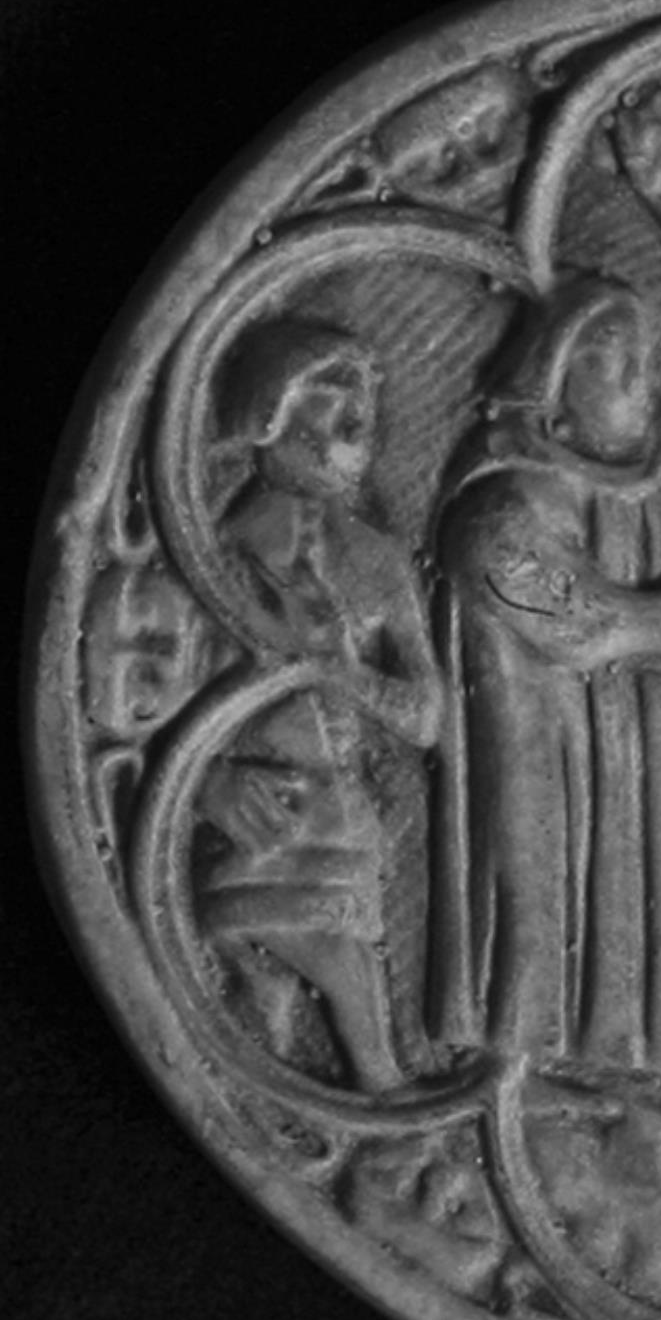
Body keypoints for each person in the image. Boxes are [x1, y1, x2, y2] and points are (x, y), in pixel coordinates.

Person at [434, 281, 661, 1076]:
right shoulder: (502, 498)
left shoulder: (647, 505)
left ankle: (619, 1056)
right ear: (551, 400)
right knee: (539, 901)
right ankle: (522, 1059)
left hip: (632, 761)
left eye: (645, 360)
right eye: (614, 362)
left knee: (632, 899)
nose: (642, 380)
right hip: (539, 753)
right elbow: (570, 618)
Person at [193, 320, 444, 1092]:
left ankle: (355, 1112)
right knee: (342, 1028)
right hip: (250, 826)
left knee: (361, 1026)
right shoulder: (212, 557)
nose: (357, 428)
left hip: (342, 823)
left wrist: (343, 675)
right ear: (270, 416)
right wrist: (209, 784)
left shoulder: (378, 562)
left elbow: (426, 717)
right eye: (333, 403)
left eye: (362, 408)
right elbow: (151, 708)